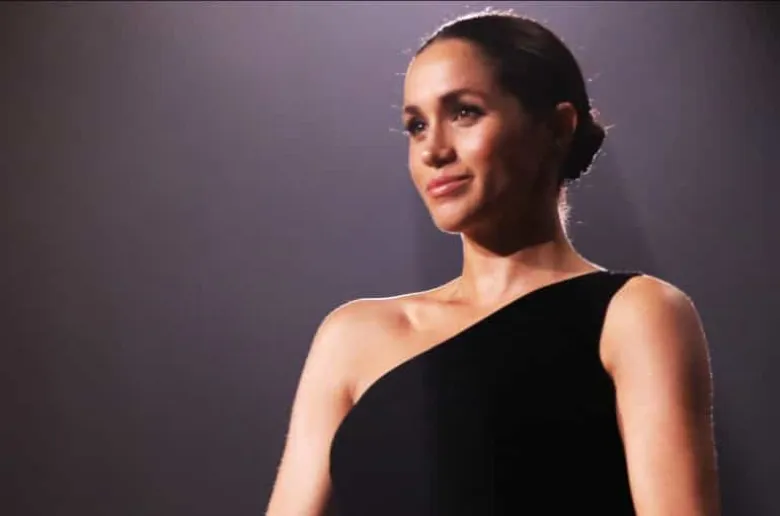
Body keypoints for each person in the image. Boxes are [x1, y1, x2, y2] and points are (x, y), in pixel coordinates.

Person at [266, 9, 720, 516]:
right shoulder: (351, 337)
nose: (433, 150)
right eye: (417, 126)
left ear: (557, 127)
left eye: (465, 112)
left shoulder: (635, 315)